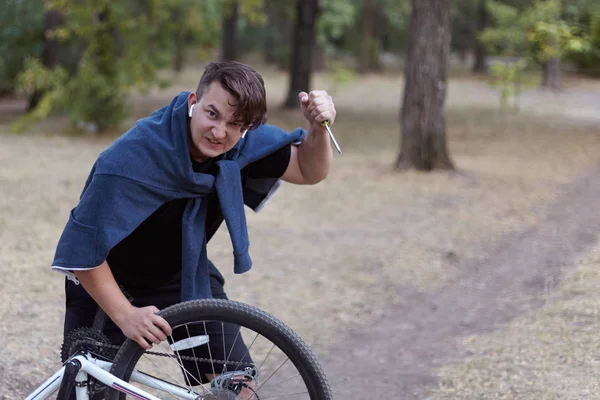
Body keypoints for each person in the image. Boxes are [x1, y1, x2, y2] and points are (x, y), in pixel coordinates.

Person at [51, 60, 336, 396]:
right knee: (92, 392)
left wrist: (318, 129)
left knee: (238, 389)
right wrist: (126, 315)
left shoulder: (239, 145)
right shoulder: (131, 159)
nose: (220, 132)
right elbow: (81, 250)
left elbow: (308, 169)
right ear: (192, 103)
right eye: (212, 114)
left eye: (236, 124)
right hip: (108, 284)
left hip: (183, 274)